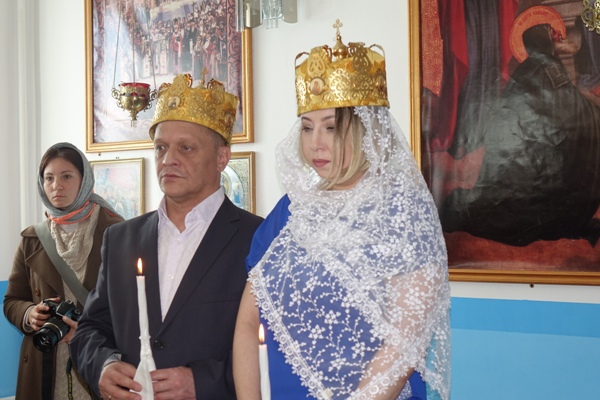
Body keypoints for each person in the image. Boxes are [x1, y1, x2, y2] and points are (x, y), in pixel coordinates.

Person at [233, 22, 451, 400]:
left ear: (366, 129)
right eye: (306, 127)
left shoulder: (403, 213)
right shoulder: (291, 211)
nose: (315, 143)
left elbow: (404, 343)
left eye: (331, 127)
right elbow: (248, 323)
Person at [70, 73, 263, 400]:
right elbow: (91, 328)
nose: (169, 160)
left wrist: (204, 382)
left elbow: (275, 344)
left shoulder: (258, 239)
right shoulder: (120, 239)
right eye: (160, 148)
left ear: (222, 157)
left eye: (186, 148)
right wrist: (102, 365)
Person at [440, 7, 600, 247]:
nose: (560, 36)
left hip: (520, 172)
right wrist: (594, 111)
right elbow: (572, 112)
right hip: (539, 177)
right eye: (554, 33)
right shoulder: (549, 67)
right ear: (544, 36)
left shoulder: (526, 70)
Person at [3, 142, 124, 399]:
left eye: (66, 176)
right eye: (49, 178)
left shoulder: (117, 232)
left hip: (99, 359)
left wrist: (89, 331)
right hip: (44, 364)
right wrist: (29, 314)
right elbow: (12, 300)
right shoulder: (33, 238)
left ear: (84, 179)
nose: (56, 185)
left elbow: (133, 306)